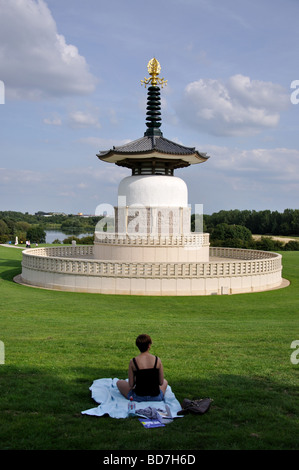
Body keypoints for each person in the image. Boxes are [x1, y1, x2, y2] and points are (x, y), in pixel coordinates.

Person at [117, 334, 168, 402]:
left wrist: (138, 378)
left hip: (138, 397)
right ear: (149, 345)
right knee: (165, 381)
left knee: (119, 382)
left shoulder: (133, 361)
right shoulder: (157, 360)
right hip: (156, 397)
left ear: (138, 346)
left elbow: (131, 384)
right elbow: (161, 382)